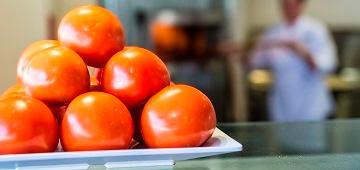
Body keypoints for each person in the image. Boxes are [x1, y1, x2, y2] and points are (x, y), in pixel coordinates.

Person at [250, 0, 338, 122]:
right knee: (283, 140)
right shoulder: (273, 33)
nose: (287, 9)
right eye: (284, 5)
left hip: (311, 106)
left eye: (291, 5)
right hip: (282, 105)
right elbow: (254, 60)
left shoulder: (316, 30)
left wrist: (303, 52)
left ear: (301, 5)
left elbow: (328, 64)